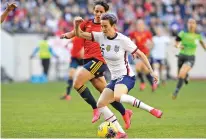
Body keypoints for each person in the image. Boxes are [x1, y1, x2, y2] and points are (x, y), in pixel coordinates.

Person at [74, 13, 163, 138]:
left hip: (127, 76)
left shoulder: (123, 40)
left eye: (105, 26)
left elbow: (141, 54)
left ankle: (152, 110)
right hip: (115, 79)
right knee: (100, 104)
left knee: (118, 96)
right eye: (101, 26)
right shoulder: (100, 37)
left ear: (113, 26)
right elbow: (80, 34)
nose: (103, 29)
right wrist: (77, 25)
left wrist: (152, 71)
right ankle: (121, 132)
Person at [60, 1, 132, 129]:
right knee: (105, 92)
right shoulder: (86, 23)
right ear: (94, 11)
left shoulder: (107, 26)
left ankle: (95, 109)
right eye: (96, 11)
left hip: (99, 60)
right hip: (87, 60)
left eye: (101, 12)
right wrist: (67, 35)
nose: (98, 14)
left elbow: (116, 40)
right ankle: (125, 112)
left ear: (105, 13)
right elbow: (75, 33)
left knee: (77, 83)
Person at [172, 18, 206, 99]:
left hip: (190, 58)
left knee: (181, 73)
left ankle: (176, 91)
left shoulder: (198, 35)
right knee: (179, 75)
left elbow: (203, 44)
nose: (191, 24)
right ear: (187, 24)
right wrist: (179, 46)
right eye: (189, 22)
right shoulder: (183, 33)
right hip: (181, 57)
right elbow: (176, 43)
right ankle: (186, 76)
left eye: (193, 23)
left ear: (196, 25)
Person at [129, 19, 157, 91]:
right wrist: (132, 50)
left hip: (145, 54)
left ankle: (144, 83)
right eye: (138, 24)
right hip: (138, 53)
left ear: (143, 25)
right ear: (136, 25)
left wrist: (149, 45)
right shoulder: (133, 33)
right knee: (140, 69)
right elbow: (130, 42)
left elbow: (152, 44)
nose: (140, 26)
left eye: (141, 24)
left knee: (142, 68)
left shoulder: (147, 33)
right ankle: (151, 84)